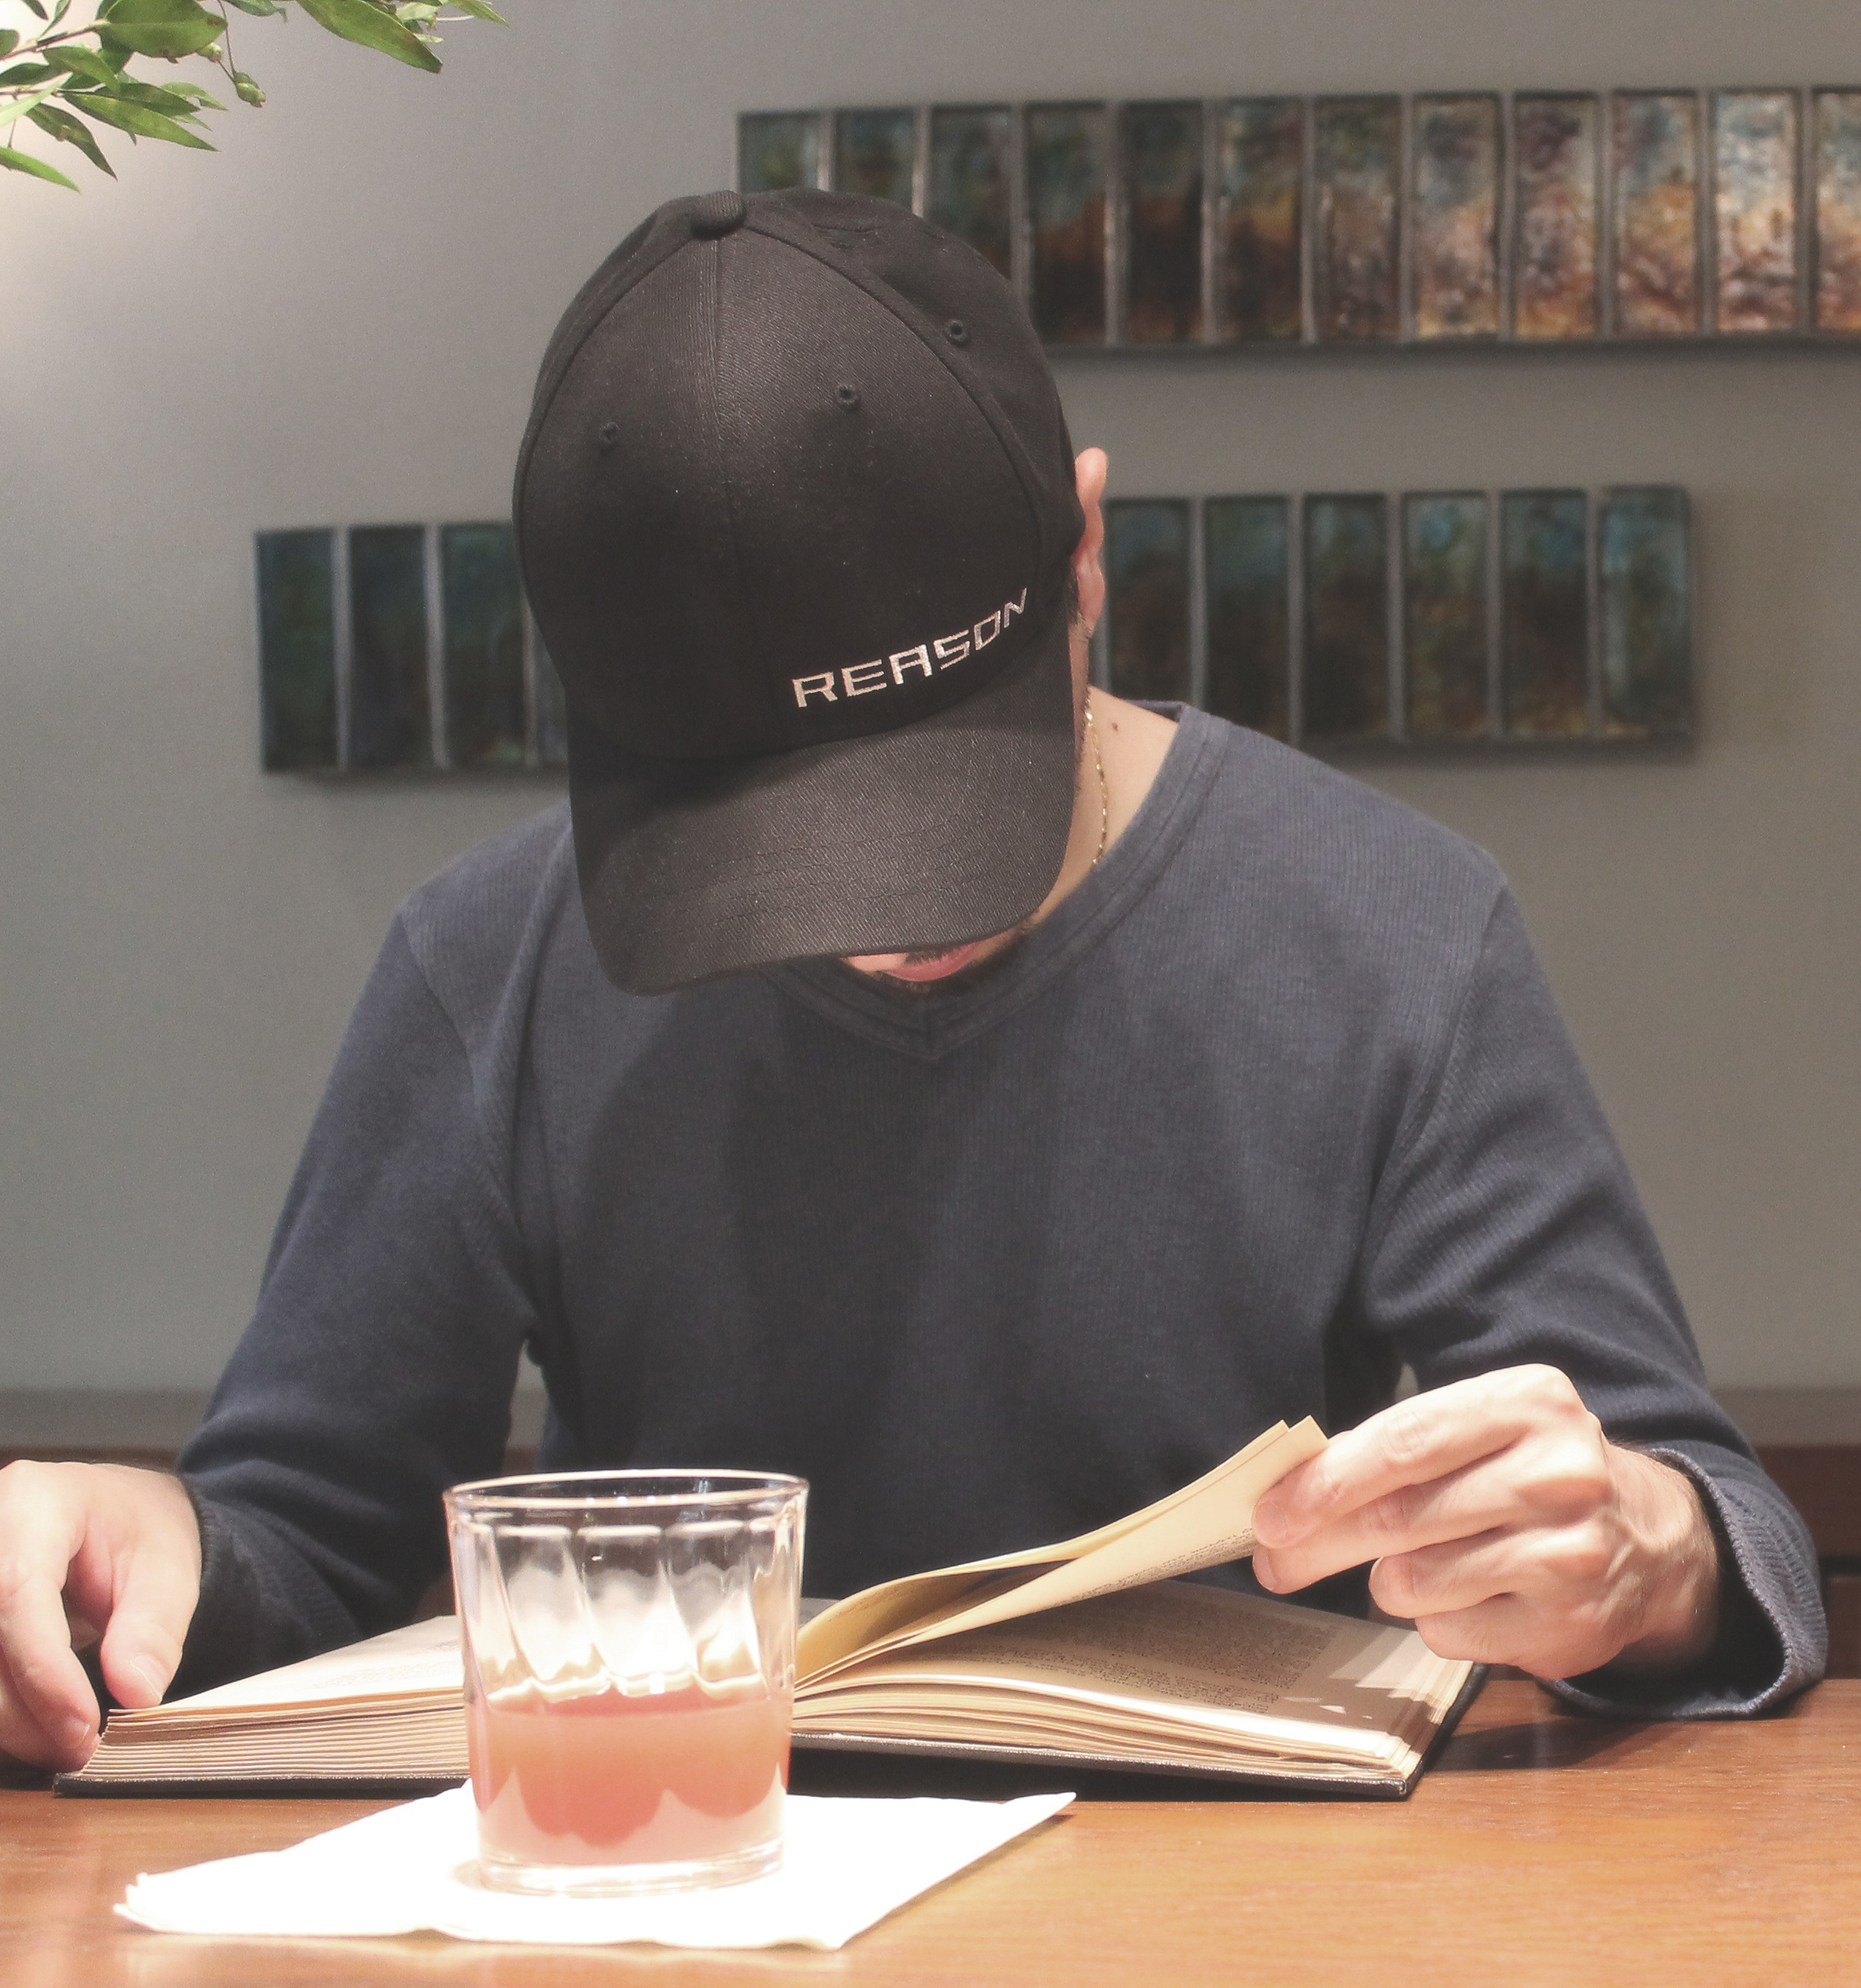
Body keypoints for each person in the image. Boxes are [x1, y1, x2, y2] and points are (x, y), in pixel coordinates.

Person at [0, 189, 1824, 1772]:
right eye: (759, 841)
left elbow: (1710, 1530)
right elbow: (300, 1542)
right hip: (672, 1884)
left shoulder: (1389, 931)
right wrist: (133, 1557)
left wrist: (1642, 1559)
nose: (874, 924)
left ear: (1082, 550)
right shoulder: (490, 967)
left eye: (936, 806)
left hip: (1238, 1904)